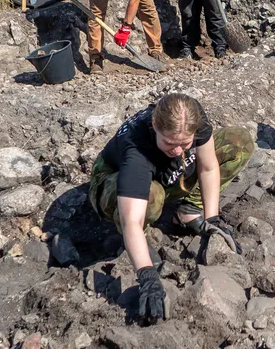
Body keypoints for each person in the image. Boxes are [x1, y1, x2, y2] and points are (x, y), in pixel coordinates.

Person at [87, 93, 255, 325]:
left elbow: (207, 168)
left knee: (238, 142)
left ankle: (187, 211)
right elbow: (131, 222)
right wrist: (147, 277)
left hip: (167, 174)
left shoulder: (192, 119)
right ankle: (139, 243)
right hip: (112, 184)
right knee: (151, 196)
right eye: (170, 143)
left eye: (185, 144)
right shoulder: (137, 150)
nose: (178, 150)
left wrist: (212, 218)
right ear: (155, 125)